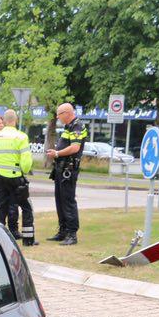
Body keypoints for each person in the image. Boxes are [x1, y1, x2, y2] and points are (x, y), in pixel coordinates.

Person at [0, 108, 36, 246]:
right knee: (26, 206)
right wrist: (22, 170)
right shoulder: (21, 137)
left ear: (4, 121)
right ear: (16, 120)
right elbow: (26, 163)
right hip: (16, 177)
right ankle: (28, 240)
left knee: (1, 207)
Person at [47, 102, 88, 244]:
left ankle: (72, 234)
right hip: (61, 168)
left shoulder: (77, 126)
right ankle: (63, 231)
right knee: (60, 200)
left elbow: (75, 147)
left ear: (66, 113)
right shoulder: (68, 126)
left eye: (59, 115)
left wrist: (57, 153)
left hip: (68, 169)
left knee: (68, 201)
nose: (58, 117)